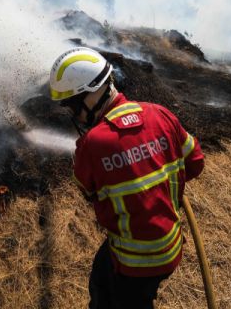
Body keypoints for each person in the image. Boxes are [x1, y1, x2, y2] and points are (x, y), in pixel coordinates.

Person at [49, 47, 204, 309]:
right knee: (101, 274)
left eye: (73, 105)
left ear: (93, 93)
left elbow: (88, 191)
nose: (74, 114)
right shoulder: (160, 114)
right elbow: (196, 163)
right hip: (170, 244)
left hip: (134, 262)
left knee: (125, 300)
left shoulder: (92, 144)